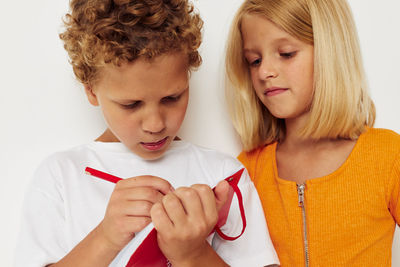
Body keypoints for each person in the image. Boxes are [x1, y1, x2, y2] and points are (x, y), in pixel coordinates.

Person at [14, 0, 280, 266]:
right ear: (91, 90)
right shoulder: (62, 176)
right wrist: (105, 238)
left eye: (172, 98)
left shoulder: (224, 177)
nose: (155, 124)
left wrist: (193, 254)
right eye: (131, 105)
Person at [225, 0, 400, 266]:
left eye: (286, 53)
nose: (264, 71)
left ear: (331, 51)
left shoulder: (388, 156)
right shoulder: (247, 170)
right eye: (254, 60)